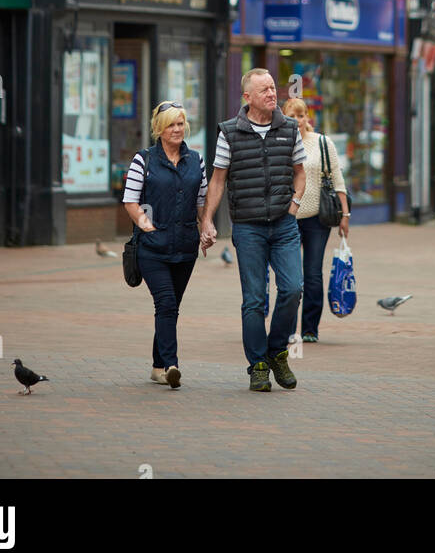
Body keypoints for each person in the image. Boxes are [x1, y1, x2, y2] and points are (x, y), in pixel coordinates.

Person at [200, 69, 306, 392]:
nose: (273, 94)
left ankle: (277, 351)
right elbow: (218, 179)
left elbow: (300, 172)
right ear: (247, 97)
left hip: (284, 224)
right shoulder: (229, 132)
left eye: (273, 88)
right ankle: (258, 364)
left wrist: (295, 204)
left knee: (293, 289)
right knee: (255, 300)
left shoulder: (288, 128)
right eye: (264, 90)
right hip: (247, 228)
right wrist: (207, 220)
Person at [122, 102, 207, 389]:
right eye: (171, 124)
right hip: (152, 248)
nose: (177, 129)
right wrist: (144, 224)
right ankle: (172, 365)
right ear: (159, 128)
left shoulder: (196, 160)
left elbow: (201, 202)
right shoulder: (143, 160)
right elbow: (130, 200)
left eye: (181, 123)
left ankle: (157, 366)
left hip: (185, 246)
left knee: (171, 307)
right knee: (166, 303)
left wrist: (206, 226)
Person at [282, 98, 349, 342]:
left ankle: (310, 329)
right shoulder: (280, 142)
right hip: (287, 217)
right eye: (291, 116)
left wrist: (345, 214)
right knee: (291, 277)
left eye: (301, 116)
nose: (297, 121)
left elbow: (337, 178)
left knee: (312, 273)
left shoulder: (322, 143)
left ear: (307, 117)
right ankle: (288, 329)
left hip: (317, 219)